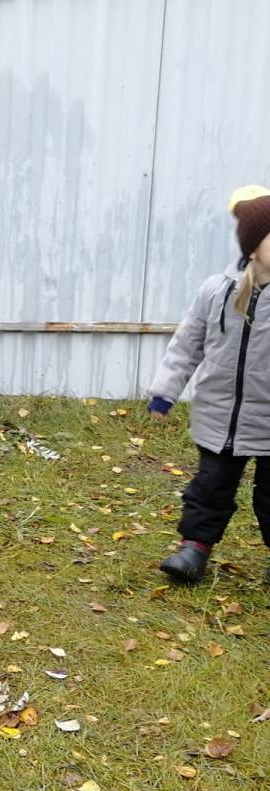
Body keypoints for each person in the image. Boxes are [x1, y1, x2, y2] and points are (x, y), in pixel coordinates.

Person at [149, 185, 270, 583]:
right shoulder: (216, 291)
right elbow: (187, 344)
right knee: (210, 486)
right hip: (220, 416)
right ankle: (194, 548)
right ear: (252, 247)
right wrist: (166, 391)